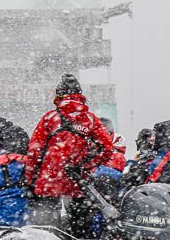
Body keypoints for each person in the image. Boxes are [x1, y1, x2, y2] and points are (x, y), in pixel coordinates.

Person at [24, 74, 125, 232]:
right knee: (79, 229)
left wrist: (31, 181)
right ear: (80, 94)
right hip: (77, 182)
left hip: (49, 182)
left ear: (59, 95)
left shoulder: (49, 118)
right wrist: (85, 165)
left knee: (46, 229)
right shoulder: (91, 120)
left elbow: (34, 153)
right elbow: (106, 149)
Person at [120, 119, 170, 189]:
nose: (151, 139)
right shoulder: (161, 155)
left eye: (155, 135)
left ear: (165, 137)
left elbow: (164, 186)